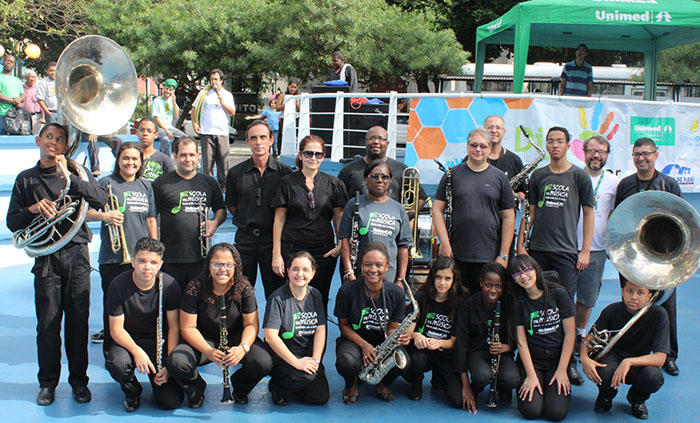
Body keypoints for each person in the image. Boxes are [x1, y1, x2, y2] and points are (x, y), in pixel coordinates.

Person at [6, 123, 108, 405]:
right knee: (48, 325)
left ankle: (79, 383)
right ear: (38, 140)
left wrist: (69, 177)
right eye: (49, 137)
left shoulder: (76, 173)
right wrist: (33, 209)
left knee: (78, 323)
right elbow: (12, 223)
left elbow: (100, 199)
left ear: (65, 146)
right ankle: (47, 384)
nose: (54, 142)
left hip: (77, 254)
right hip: (46, 259)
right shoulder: (26, 179)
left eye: (60, 139)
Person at [516, 126, 593, 386]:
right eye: (550, 141)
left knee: (564, 306)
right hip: (538, 250)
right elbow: (530, 212)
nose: (554, 145)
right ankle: (530, 358)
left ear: (569, 145)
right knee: (535, 303)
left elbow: (588, 214)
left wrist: (585, 250)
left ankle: (568, 363)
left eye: (559, 141)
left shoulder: (580, 176)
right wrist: (521, 243)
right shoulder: (538, 176)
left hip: (566, 252)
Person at [166, 243, 273, 407]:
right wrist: (208, 351)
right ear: (209, 265)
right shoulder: (196, 287)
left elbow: (251, 325)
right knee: (177, 362)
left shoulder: (244, 287)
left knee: (264, 362)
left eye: (228, 265)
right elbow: (188, 328)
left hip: (235, 338)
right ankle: (197, 388)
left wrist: (243, 347)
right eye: (217, 264)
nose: (223, 269)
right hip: (203, 339)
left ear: (236, 266)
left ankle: (240, 388)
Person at [614, 137, 682, 377]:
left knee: (667, 306)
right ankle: (627, 348)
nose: (641, 158)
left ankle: (669, 356)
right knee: (630, 304)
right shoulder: (625, 184)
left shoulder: (669, 184)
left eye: (646, 154)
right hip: (632, 255)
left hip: (663, 254)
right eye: (637, 154)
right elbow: (619, 217)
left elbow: (682, 218)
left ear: (655, 155)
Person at [87, 142, 158, 346]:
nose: (130, 162)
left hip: (140, 257)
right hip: (113, 256)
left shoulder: (146, 185)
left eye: (135, 159)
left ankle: (137, 345)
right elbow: (86, 214)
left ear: (141, 162)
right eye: (125, 158)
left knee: (138, 304)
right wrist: (105, 216)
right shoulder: (105, 183)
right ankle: (112, 348)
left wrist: (154, 250)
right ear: (118, 160)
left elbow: (151, 219)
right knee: (113, 304)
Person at [105, 237, 184, 411]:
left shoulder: (169, 285)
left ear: (160, 264)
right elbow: (116, 329)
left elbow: (174, 327)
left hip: (158, 343)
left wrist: (169, 364)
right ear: (133, 262)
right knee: (117, 363)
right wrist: (136, 351)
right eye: (141, 261)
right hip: (128, 342)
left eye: (153, 262)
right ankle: (132, 391)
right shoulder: (118, 285)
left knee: (170, 401)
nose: (147, 267)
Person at [433, 127, 516, 294]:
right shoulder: (451, 175)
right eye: (474, 145)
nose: (478, 149)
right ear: (467, 146)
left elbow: (509, 217)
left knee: (482, 303)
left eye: (483, 146)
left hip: (489, 255)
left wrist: (503, 255)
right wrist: (445, 243)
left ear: (490, 149)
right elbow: (437, 209)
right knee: (455, 301)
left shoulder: (500, 178)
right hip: (455, 254)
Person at [271, 134, 348, 307]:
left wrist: (340, 245)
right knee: (289, 300)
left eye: (318, 154)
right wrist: (276, 254)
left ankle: (320, 326)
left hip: (323, 252)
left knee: (320, 299)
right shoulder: (287, 183)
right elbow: (279, 219)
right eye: (308, 153)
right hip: (291, 250)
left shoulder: (334, 184)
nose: (313, 158)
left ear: (323, 156)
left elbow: (339, 217)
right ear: (300, 155)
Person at [580, 280, 668, 420]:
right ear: (622, 291)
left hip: (639, 361)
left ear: (649, 296)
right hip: (613, 357)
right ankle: (606, 395)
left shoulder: (659, 315)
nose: (634, 297)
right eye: (629, 291)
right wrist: (584, 358)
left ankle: (637, 399)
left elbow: (660, 358)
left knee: (653, 377)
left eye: (640, 293)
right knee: (602, 371)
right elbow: (588, 340)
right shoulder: (612, 310)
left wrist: (628, 362)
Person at [334, 242, 409, 404]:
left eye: (379, 265)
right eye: (368, 264)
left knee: (405, 361)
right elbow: (343, 326)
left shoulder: (396, 293)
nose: (373, 270)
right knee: (347, 361)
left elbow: (392, 327)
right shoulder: (347, 290)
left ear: (387, 267)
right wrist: (363, 345)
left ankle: (383, 383)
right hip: (354, 341)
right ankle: (351, 384)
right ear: (361, 266)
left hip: (381, 342)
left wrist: (396, 337)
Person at [226, 120, 291, 298]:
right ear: (247, 141)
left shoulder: (285, 173)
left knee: (277, 294)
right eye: (253, 138)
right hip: (245, 241)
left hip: (273, 241)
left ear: (271, 140)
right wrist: (248, 217)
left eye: (263, 137)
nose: (258, 142)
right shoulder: (235, 173)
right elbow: (232, 205)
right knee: (240, 294)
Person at [153, 137, 226, 290]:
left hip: (201, 258)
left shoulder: (209, 182)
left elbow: (221, 209)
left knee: (198, 301)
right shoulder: (161, 183)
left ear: (198, 156)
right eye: (183, 155)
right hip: (171, 258)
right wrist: (155, 250)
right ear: (175, 156)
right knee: (171, 302)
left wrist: (215, 223)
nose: (188, 159)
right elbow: (151, 217)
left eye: (192, 155)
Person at [509, 255, 576, 422]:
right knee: (531, 410)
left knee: (556, 413)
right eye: (517, 274)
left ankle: (551, 384)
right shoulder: (518, 302)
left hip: (557, 361)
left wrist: (562, 370)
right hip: (534, 361)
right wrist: (531, 375)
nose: (524, 276)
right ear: (514, 280)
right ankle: (538, 380)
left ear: (535, 269)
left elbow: (570, 334)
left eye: (527, 270)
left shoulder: (558, 294)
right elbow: (521, 342)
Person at [263, 251, 330, 406]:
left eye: (305, 270)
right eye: (295, 269)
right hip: (283, 356)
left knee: (320, 397)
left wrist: (315, 360)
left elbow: (320, 329)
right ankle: (277, 387)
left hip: (306, 354)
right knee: (306, 377)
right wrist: (296, 363)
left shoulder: (315, 295)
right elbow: (270, 336)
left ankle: (296, 384)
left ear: (313, 273)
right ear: (288, 271)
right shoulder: (277, 299)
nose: (300, 274)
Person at [573, 136, 619, 355]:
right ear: (584, 152)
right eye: (592, 151)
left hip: (596, 250)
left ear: (607, 155)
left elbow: (614, 214)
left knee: (587, 298)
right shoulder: (573, 175)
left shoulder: (614, 183)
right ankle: (560, 335)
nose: (596, 155)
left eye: (601, 152)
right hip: (567, 247)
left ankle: (579, 335)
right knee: (561, 295)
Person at [456, 262, 519, 412]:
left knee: (512, 378)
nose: (493, 290)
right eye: (488, 285)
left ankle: (502, 387)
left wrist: (507, 347)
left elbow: (517, 338)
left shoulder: (509, 304)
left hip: (502, 352)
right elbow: (461, 344)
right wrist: (465, 385)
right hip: (477, 352)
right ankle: (476, 386)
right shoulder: (469, 305)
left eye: (498, 286)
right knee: (482, 376)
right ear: (481, 283)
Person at [338, 160, 412, 284]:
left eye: (384, 177)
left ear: (389, 180)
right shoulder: (353, 204)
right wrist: (349, 272)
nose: (380, 180)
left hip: (389, 277)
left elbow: (403, 247)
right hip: (359, 275)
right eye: (375, 176)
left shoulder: (399, 209)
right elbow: (345, 240)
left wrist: (400, 279)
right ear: (366, 179)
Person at [406, 256, 464, 407]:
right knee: (417, 359)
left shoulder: (460, 303)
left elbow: (454, 342)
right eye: (438, 277)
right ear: (432, 277)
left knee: (458, 401)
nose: (442, 283)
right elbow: (408, 332)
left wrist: (439, 343)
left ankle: (438, 378)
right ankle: (416, 384)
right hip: (422, 352)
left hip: (445, 354)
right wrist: (416, 335)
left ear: (454, 280)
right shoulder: (421, 297)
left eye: (447, 278)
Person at [337, 125, 427, 210]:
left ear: (387, 143)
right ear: (365, 142)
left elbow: (420, 199)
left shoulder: (403, 170)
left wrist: (403, 218)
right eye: (371, 138)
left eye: (381, 138)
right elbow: (338, 203)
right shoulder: (348, 170)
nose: (376, 142)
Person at [191, 69, 235, 189]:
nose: (213, 82)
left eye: (216, 79)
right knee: (207, 162)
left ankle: (224, 186)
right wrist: (194, 122)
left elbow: (232, 112)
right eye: (211, 79)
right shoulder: (203, 94)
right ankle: (208, 186)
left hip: (222, 133)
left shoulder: (227, 95)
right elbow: (194, 108)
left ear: (221, 81)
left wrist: (222, 102)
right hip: (207, 132)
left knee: (223, 162)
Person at [484, 115, 525, 201]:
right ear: (483, 131)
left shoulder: (515, 160)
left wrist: (514, 195)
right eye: (490, 127)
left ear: (504, 132)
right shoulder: (473, 159)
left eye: (498, 127)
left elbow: (523, 193)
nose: (494, 131)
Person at [152, 78, 186, 157]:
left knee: (185, 138)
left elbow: (176, 115)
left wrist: (174, 102)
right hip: (159, 128)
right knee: (165, 139)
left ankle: (179, 156)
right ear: (163, 88)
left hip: (169, 127)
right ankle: (167, 159)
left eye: (170, 90)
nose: (168, 91)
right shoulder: (157, 101)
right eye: (166, 89)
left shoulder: (171, 100)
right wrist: (167, 132)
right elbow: (157, 119)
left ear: (173, 91)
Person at [137, 117, 176, 182]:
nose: (145, 133)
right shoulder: (131, 158)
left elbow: (173, 183)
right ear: (137, 132)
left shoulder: (164, 160)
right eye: (141, 130)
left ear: (156, 135)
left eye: (149, 131)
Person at [0, 55, 25, 135]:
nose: (8, 63)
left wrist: (19, 100)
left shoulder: (17, 80)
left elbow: (23, 95)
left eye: (11, 62)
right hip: (2, 114)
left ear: (14, 66)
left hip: (15, 115)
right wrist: (12, 101)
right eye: (6, 60)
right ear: (3, 62)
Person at [274, 78, 300, 155]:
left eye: (295, 87)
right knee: (282, 136)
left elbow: (300, 110)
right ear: (288, 86)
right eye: (291, 87)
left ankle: (294, 152)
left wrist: (296, 104)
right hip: (284, 118)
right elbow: (277, 108)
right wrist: (287, 104)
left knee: (295, 136)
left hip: (295, 118)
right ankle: (280, 153)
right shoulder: (282, 95)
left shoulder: (298, 96)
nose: (293, 89)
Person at [22, 69, 43, 134]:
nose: (32, 79)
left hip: (36, 116)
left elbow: (42, 102)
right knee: (25, 134)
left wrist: (43, 116)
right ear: (26, 78)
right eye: (31, 77)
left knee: (36, 135)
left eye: (34, 77)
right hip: (24, 116)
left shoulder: (38, 88)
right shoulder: (22, 88)